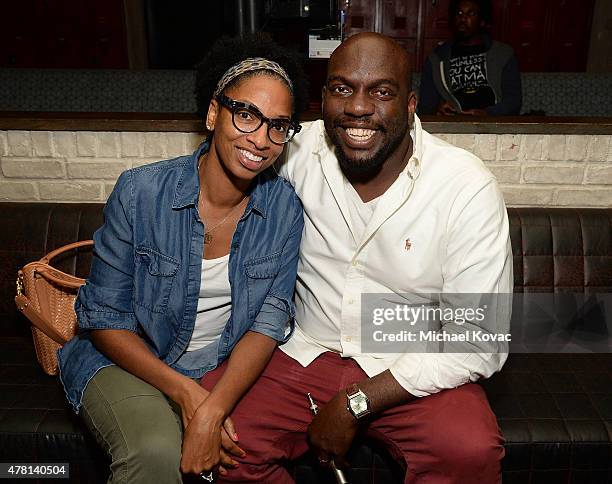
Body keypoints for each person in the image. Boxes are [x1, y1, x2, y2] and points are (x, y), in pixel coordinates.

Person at [201, 32, 513, 483]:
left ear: (410, 104)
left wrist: (356, 402)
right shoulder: (295, 150)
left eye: (381, 92)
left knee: (469, 452)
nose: (358, 108)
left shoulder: (464, 187)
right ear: (324, 96)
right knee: (218, 439)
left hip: (409, 364)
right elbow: (219, 165)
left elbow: (478, 340)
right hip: (303, 349)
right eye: (342, 88)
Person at [57, 34, 307, 484]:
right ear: (214, 113)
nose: (261, 138)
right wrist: (189, 396)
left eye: (278, 125)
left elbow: (269, 320)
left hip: (214, 365)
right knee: (155, 451)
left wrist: (212, 406)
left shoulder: (285, 209)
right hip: (125, 360)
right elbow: (103, 318)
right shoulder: (141, 193)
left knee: (243, 447)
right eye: (246, 114)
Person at [418, 0, 522, 116]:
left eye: (471, 14)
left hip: (493, 124)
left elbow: (513, 102)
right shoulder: (436, 59)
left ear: (482, 21)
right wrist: (437, 109)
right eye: (459, 13)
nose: (463, 19)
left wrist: (487, 113)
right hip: (454, 125)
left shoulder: (503, 54)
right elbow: (425, 106)